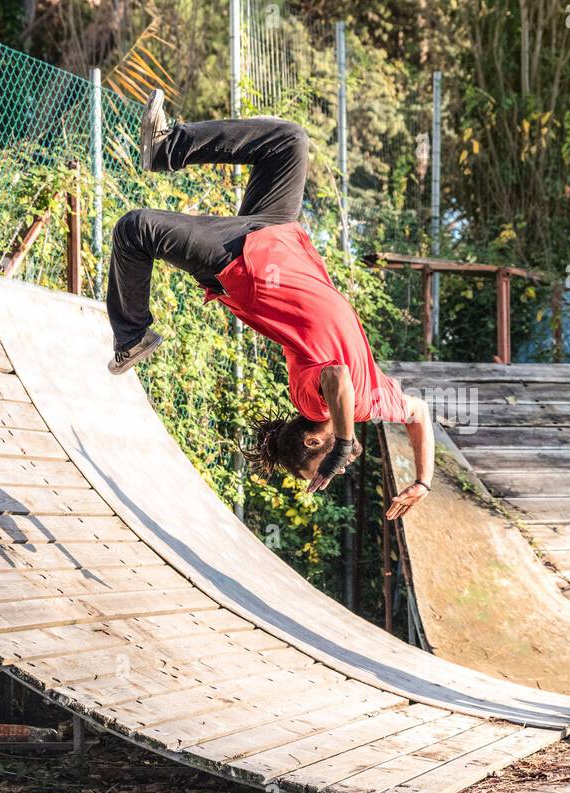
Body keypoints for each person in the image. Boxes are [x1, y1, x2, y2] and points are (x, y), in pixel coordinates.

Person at [104, 90, 432, 518]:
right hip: (279, 235)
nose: (340, 469)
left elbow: (336, 376)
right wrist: (423, 479)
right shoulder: (373, 402)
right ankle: (167, 148)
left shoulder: (315, 404)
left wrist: (343, 443)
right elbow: (419, 412)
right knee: (289, 140)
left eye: (322, 468)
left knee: (135, 229)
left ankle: (130, 336)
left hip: (244, 266)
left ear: (314, 441)